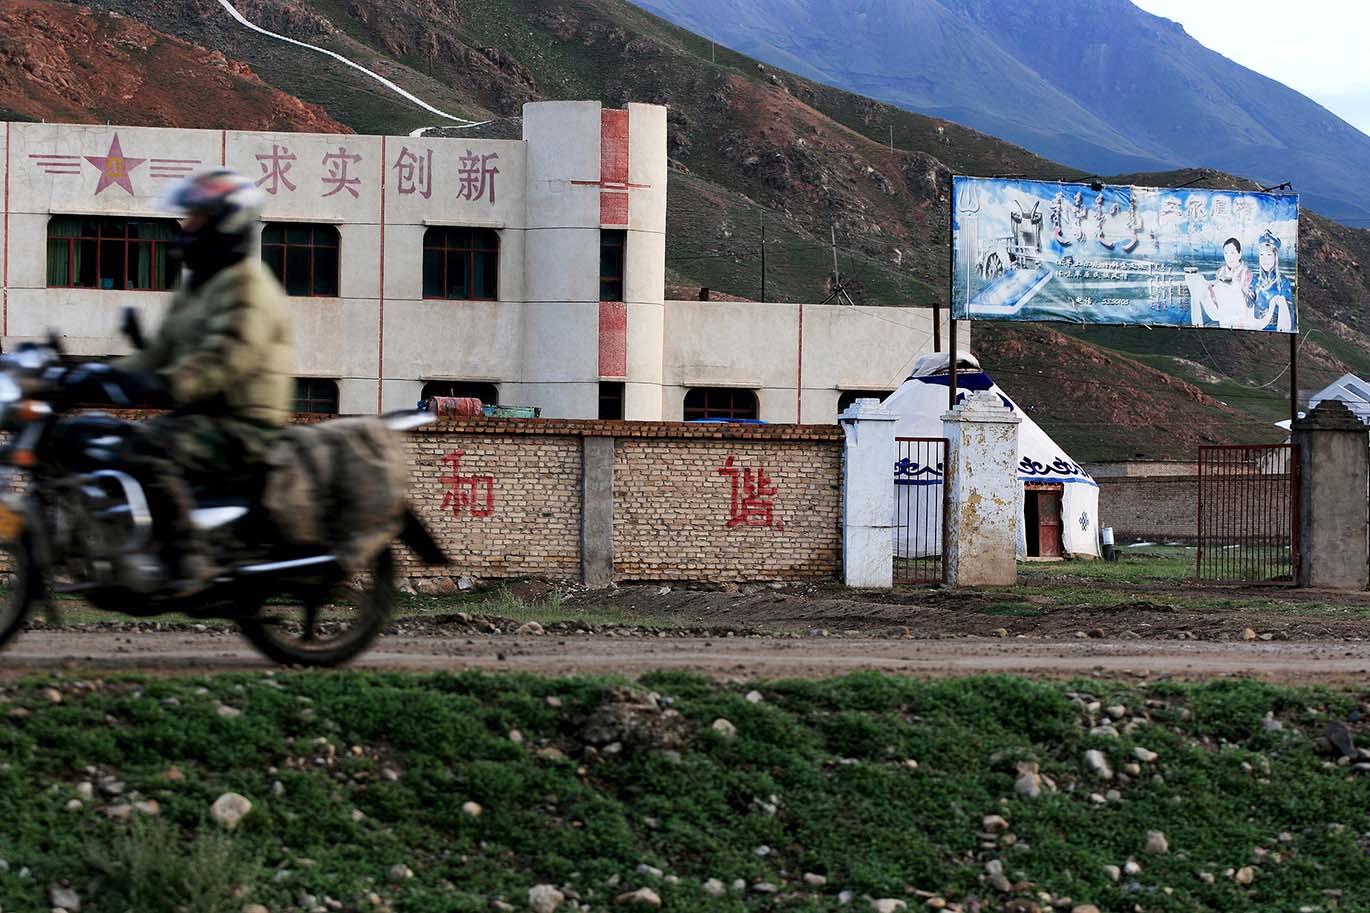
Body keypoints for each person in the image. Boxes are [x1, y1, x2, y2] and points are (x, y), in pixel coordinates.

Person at [63, 169, 295, 593]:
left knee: (146, 449)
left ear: (225, 222)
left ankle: (186, 556)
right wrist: (96, 375)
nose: (185, 227)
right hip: (202, 414)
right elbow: (157, 353)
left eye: (195, 218)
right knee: (105, 441)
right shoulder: (198, 285)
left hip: (243, 424)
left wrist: (168, 386)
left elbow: (228, 357)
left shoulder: (248, 286)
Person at [1247, 229, 1294, 332]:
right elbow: (1248, 305)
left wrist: (1280, 302)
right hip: (1256, 328)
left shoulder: (1283, 282)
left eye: (1269, 255)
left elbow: (1290, 313)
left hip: (1277, 330)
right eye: (1262, 255)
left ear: (1275, 257)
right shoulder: (1255, 280)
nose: (1265, 260)